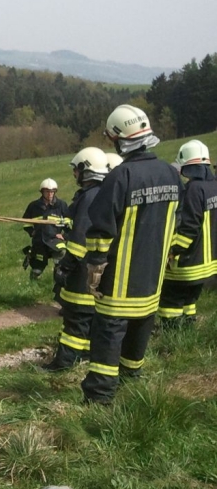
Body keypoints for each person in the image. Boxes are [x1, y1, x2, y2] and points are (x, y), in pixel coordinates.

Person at [79, 105, 181, 405]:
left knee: (107, 341)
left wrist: (95, 267)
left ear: (120, 139)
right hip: (152, 282)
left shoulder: (121, 176)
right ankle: (131, 386)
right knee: (139, 334)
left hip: (119, 285)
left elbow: (101, 230)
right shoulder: (170, 173)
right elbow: (176, 222)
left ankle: (99, 399)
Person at [44, 147, 111, 372]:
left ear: (86, 170)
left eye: (76, 170)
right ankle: (86, 357)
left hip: (82, 271)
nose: (74, 174)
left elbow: (80, 238)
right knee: (90, 320)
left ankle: (63, 363)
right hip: (98, 268)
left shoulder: (89, 197)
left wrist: (65, 267)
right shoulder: (103, 193)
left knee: (75, 319)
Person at [158, 140, 217, 327]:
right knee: (189, 299)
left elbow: (189, 228)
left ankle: (172, 332)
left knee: (170, 300)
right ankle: (188, 327)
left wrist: (173, 250)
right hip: (208, 265)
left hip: (187, 264)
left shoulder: (193, 189)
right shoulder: (213, 187)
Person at [22, 179, 70, 279]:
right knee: (37, 269)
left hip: (55, 240)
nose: (50, 194)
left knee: (61, 254)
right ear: (42, 192)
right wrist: (32, 232)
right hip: (39, 241)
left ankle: (57, 280)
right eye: (47, 191)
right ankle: (33, 282)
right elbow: (25, 222)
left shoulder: (61, 205)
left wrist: (64, 236)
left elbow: (69, 223)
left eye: (52, 191)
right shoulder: (33, 206)